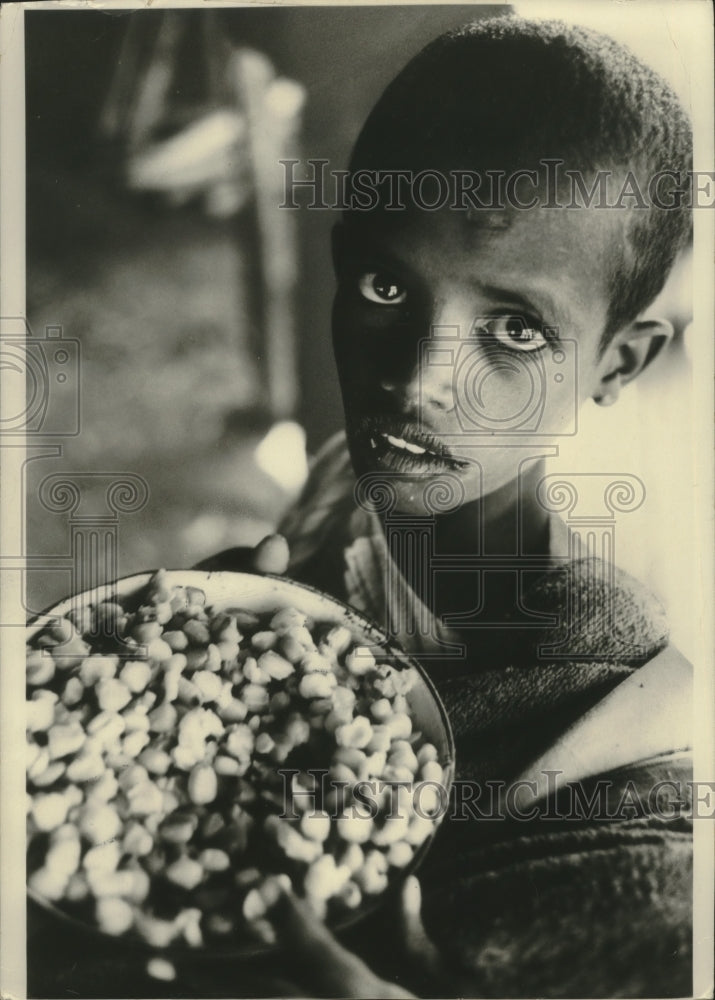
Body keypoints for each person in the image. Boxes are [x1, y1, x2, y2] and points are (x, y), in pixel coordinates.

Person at [198, 14, 695, 998]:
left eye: (514, 328)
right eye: (386, 284)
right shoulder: (348, 474)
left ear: (617, 361)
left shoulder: (619, 721)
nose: (419, 379)